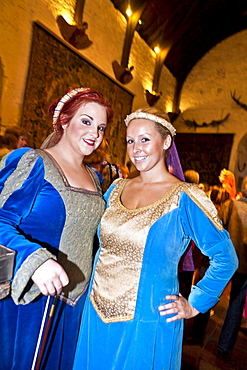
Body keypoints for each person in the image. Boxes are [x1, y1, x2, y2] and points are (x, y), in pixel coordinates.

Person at [73, 107, 238, 370]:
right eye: (130, 140)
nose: (136, 148)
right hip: (95, 313)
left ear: (166, 142)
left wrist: (195, 304)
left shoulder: (186, 198)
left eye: (145, 139)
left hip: (147, 321)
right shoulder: (116, 189)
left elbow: (226, 257)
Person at [0, 87, 113, 370]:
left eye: (100, 127)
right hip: (30, 298)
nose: (94, 133)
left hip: (76, 304)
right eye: (86, 121)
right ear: (64, 121)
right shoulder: (33, 163)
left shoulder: (95, 177)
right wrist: (34, 260)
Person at [217, 176, 247, 359]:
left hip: (225, 260)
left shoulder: (232, 205)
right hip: (245, 266)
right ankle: (225, 347)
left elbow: (217, 227)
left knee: (210, 293)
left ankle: (196, 331)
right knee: (236, 304)